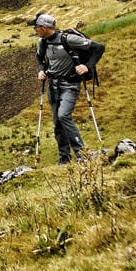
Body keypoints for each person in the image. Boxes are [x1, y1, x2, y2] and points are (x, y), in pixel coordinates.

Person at [33, 12, 105, 164]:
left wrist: (86, 66)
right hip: (53, 86)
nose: (35, 29)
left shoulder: (69, 39)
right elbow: (39, 57)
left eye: (37, 27)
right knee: (58, 122)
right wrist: (41, 70)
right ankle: (64, 159)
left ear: (44, 27)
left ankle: (81, 154)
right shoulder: (42, 42)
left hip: (70, 84)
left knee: (63, 115)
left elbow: (99, 47)